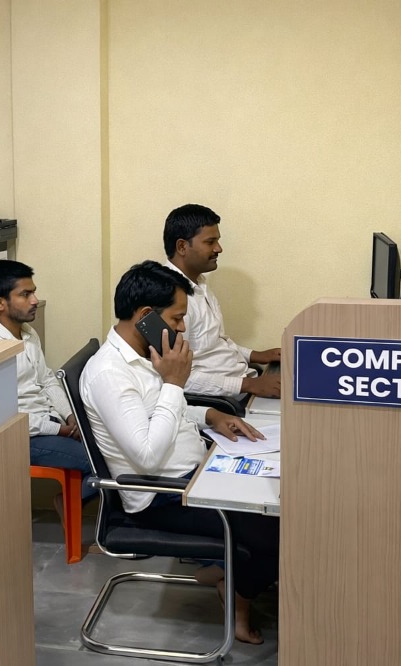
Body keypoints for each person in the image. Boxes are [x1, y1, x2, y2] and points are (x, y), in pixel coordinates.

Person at [80, 260, 279, 644]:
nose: (183, 328)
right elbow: (148, 455)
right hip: (165, 495)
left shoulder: (143, 352)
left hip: (193, 472)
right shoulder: (109, 373)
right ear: (145, 316)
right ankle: (236, 597)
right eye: (177, 318)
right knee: (276, 530)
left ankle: (227, 572)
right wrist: (175, 382)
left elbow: (157, 412)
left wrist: (210, 414)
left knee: (274, 491)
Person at [0, 260, 96, 502]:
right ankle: (66, 504)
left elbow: (48, 381)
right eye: (25, 294)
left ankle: (74, 503)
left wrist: (70, 416)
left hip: (49, 422)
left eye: (33, 292)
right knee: (100, 459)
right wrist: (58, 429)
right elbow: (5, 417)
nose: (34, 300)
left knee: (112, 443)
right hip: (24, 437)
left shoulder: (28, 333)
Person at [163, 203, 281, 400]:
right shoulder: (169, 298)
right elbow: (175, 377)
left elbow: (215, 342)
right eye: (210, 242)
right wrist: (249, 384)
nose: (219, 248)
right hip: (225, 401)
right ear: (182, 246)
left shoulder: (199, 283)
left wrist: (255, 355)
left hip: (245, 381)